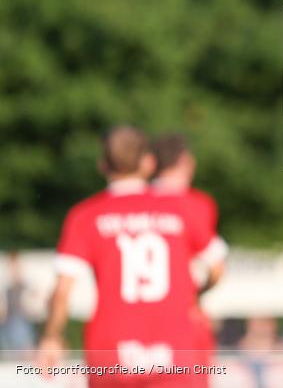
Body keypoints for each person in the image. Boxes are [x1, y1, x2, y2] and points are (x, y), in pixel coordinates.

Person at [38, 126, 226, 387]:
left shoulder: (85, 216)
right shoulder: (182, 208)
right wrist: (195, 295)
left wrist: (52, 336)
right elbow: (217, 268)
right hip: (174, 349)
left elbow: (61, 291)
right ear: (148, 163)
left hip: (111, 351)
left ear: (103, 166)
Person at [151, 133, 228, 386]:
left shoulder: (136, 201)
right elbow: (216, 268)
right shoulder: (197, 204)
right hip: (183, 316)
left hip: (141, 317)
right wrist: (197, 295)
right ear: (185, 161)